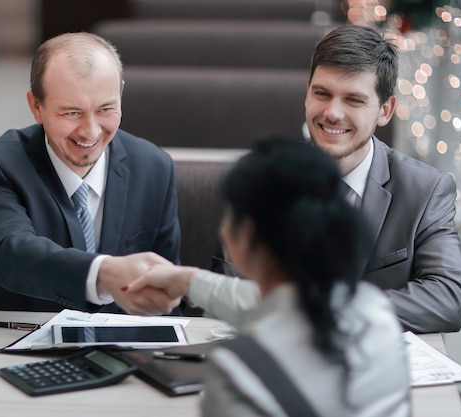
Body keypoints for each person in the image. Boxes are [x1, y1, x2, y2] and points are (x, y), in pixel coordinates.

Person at [128, 24, 461, 334]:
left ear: (385, 110)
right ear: (306, 92)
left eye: (353, 99)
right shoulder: (263, 180)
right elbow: (224, 291)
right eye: (322, 93)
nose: (333, 112)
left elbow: (448, 298)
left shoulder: (425, 189)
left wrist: (323, 312)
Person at [138, 137, 411, 416]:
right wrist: (186, 281)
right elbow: (277, 303)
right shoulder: (377, 313)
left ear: (246, 235)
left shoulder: (239, 370)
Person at [0, 32, 181, 315]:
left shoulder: (155, 167)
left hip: (115, 349)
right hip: (2, 338)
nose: (91, 132)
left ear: (120, 93)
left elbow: (167, 293)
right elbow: (10, 253)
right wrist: (103, 272)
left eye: (106, 108)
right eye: (72, 113)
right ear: (36, 106)